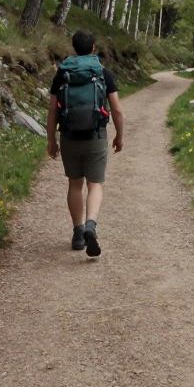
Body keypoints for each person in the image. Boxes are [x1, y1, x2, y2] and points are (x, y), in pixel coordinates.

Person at [46, 30, 124, 257]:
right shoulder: (103, 72)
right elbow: (117, 109)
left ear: (74, 48)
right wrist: (119, 135)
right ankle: (91, 224)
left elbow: (52, 109)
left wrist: (51, 139)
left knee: (75, 183)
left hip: (69, 135)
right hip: (95, 136)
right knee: (95, 184)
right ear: (93, 48)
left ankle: (78, 232)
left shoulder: (62, 74)